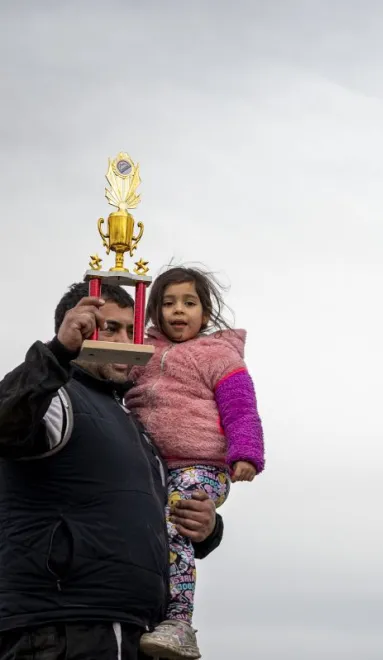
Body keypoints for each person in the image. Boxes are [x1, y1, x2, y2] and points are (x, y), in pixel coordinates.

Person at [0, 281, 225, 660]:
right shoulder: (57, 399)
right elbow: (6, 423)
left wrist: (207, 529)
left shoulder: (137, 423)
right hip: (58, 629)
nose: (126, 341)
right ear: (79, 330)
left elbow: (148, 516)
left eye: (132, 330)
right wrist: (57, 352)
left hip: (135, 633)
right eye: (111, 329)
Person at [124, 265, 265, 659]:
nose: (178, 311)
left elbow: (241, 408)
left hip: (201, 465)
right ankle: (149, 612)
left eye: (189, 303)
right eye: (168, 303)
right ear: (152, 312)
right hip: (152, 465)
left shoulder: (217, 355)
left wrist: (246, 453)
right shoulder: (142, 352)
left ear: (205, 312)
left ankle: (179, 622)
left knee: (177, 522)